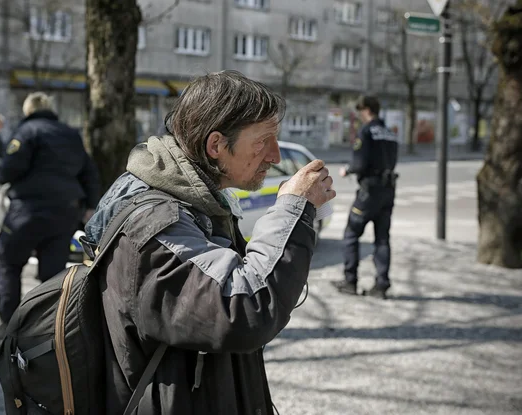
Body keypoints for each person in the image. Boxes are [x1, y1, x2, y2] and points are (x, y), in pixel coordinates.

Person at [83, 70, 336, 414]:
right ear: (216, 145)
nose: (275, 156)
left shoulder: (196, 201)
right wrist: (294, 208)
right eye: (263, 141)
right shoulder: (155, 224)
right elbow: (244, 310)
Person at [0, 92, 100, 340]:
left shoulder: (26, 131)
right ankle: (49, 328)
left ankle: (9, 324)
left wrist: (0, 176)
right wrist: (90, 205)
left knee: (9, 262)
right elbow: (89, 172)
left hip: (27, 210)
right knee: (53, 273)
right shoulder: (70, 134)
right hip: (65, 212)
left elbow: (11, 166)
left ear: (28, 110)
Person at [331, 95, 399, 299]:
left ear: (367, 110)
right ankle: (381, 285)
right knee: (382, 239)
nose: (360, 115)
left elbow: (359, 164)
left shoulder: (367, 131)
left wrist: (348, 170)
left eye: (361, 111)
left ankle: (350, 281)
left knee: (351, 234)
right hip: (388, 190)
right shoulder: (389, 133)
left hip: (369, 192)